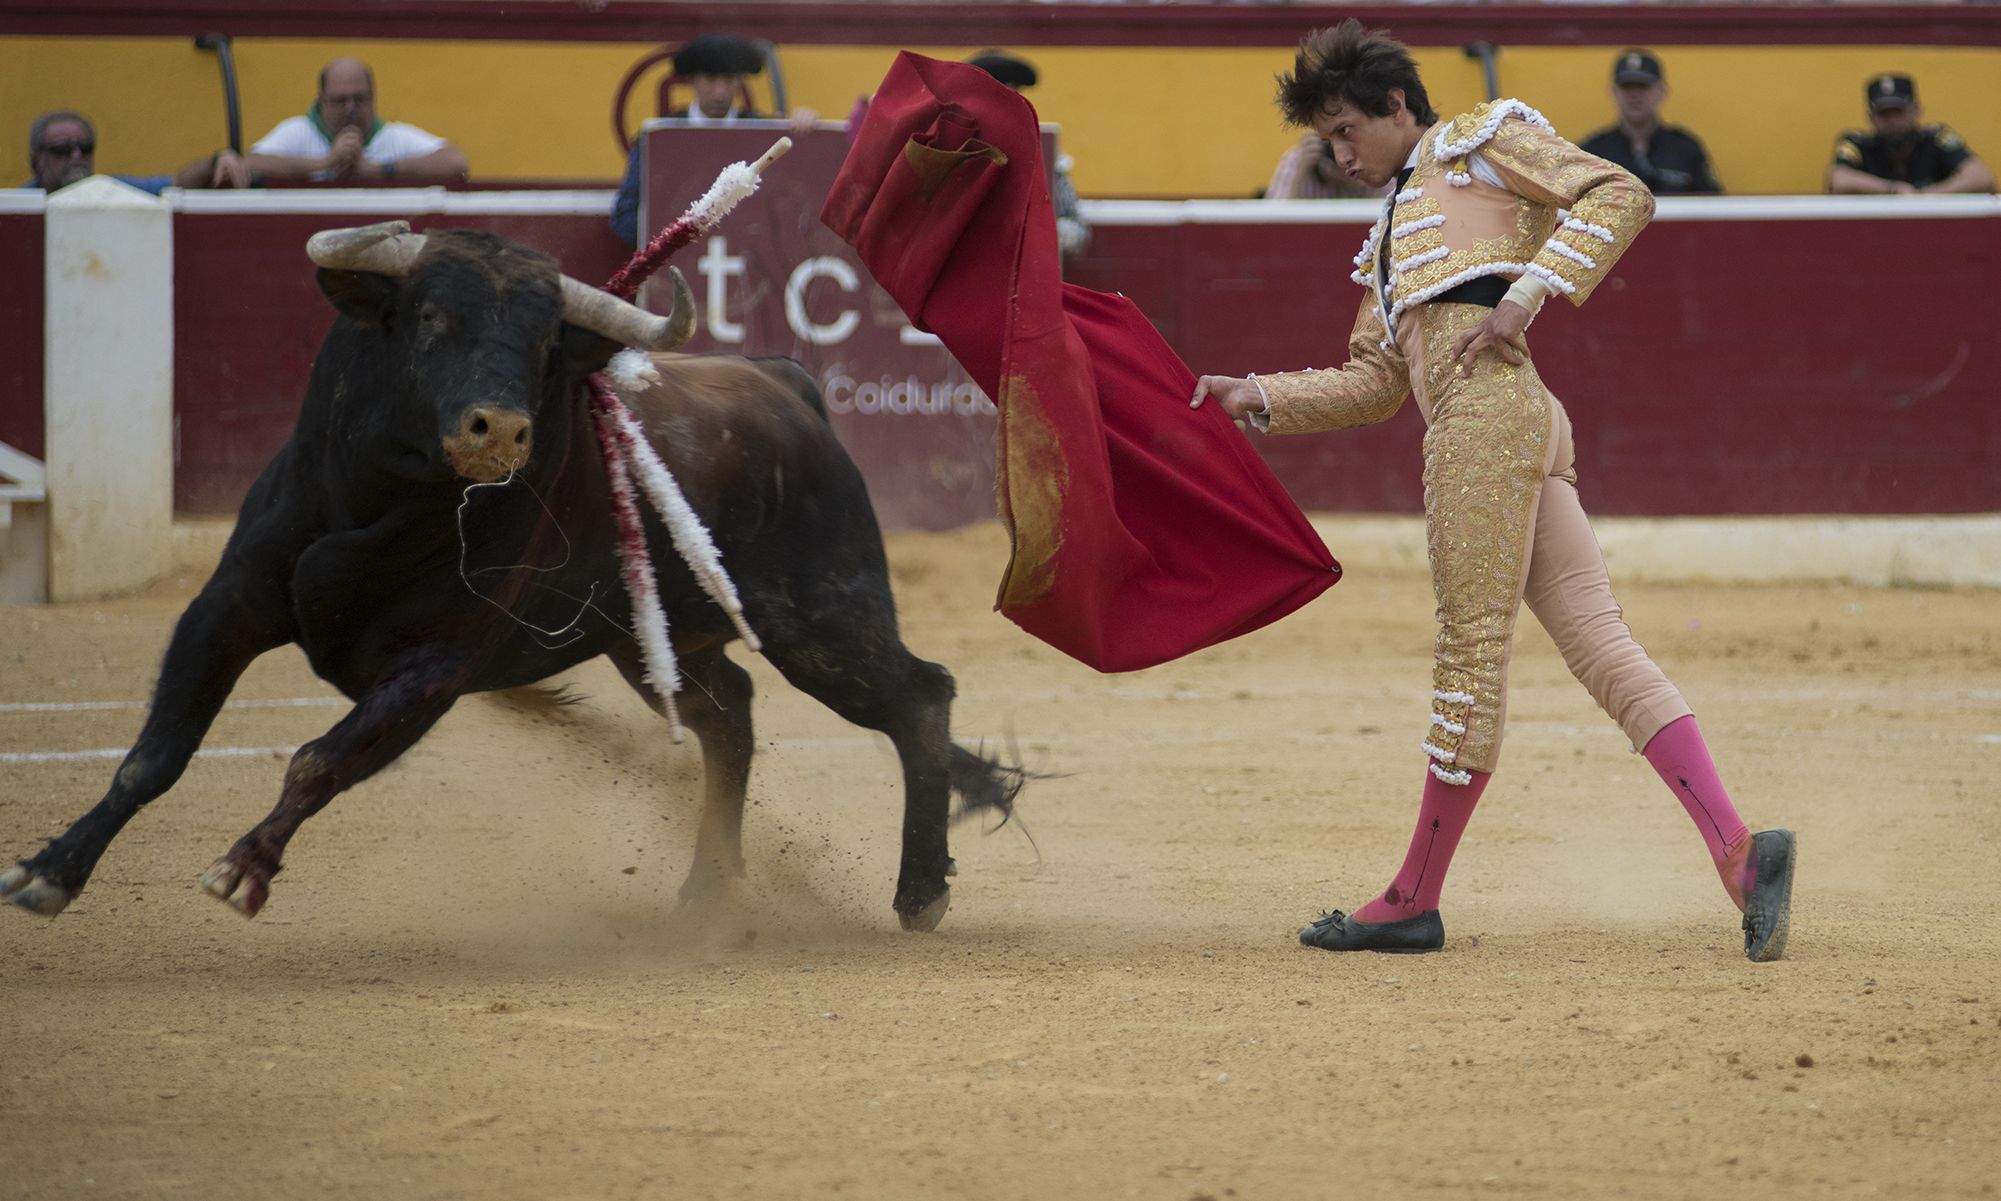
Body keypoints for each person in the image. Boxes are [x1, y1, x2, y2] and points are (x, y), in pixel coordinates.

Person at [1190, 21, 1794, 961]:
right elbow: (1374, 383)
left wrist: (1527, 295)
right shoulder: (1390, 230)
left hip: (1485, 422)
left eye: (1348, 130)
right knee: (1599, 644)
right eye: (1326, 141)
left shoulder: (1476, 141)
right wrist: (1255, 395)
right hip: (1505, 421)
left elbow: (1617, 190)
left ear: (1397, 105)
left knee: (1470, 651)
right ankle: (1739, 853)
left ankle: (1409, 898)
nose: (1340, 155)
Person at [611, 33, 818, 248]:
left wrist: (804, 128)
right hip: (677, 261)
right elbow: (625, 216)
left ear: (739, 82)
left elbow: (794, 200)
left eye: (728, 81)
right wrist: (669, 245)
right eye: (710, 80)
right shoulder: (660, 137)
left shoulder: (762, 132)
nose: (720, 92)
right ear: (692, 80)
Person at [243, 58, 469, 184]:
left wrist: (379, 169)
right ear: (321, 100)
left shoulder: (392, 136)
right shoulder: (298, 130)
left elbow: (456, 164)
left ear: (373, 98)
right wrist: (324, 164)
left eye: (359, 99)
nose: (350, 108)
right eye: (340, 100)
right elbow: (250, 164)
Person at [967, 49, 1091, 257]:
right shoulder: (953, 141)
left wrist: (1041, 235)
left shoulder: (1039, 151)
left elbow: (1074, 226)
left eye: (1014, 95)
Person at [1578, 50, 1721, 195]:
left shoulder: (1686, 150)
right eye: (1627, 87)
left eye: (1643, 86)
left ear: (1662, 91)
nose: (1634, 95)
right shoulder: (1593, 153)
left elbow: (1712, 206)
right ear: (1614, 92)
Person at [1828, 73, 1994, 195]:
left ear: (1916, 110)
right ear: (1871, 117)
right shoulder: (1857, 143)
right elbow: (1839, 181)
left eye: (1899, 112)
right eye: (1884, 114)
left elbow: (1981, 177)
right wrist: (1894, 189)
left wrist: (1928, 195)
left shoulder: (1936, 138)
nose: (1892, 120)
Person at [25, 110, 248, 195]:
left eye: (85, 149)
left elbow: (177, 184)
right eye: (61, 150)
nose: (76, 157)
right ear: (36, 161)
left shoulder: (111, 191)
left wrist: (217, 160)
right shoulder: (18, 205)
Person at [1267, 132, 1380, 199]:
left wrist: (1363, 181)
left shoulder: (1372, 159)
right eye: (1329, 141)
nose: (1341, 159)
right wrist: (1301, 173)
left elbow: (1388, 214)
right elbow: (1273, 219)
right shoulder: (1299, 160)